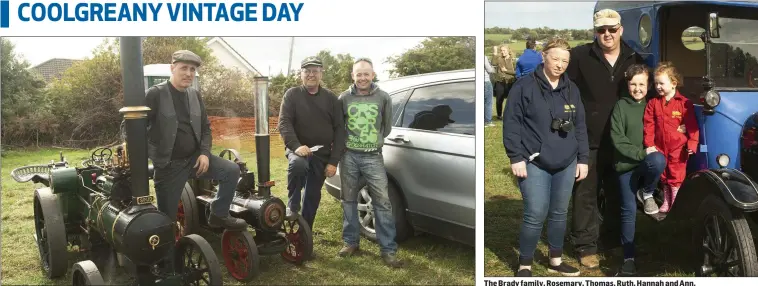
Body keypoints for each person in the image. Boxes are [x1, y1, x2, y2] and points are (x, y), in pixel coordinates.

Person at [502, 38, 589, 277]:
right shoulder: (524, 86)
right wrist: (515, 156)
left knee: (559, 212)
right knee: (536, 211)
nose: (560, 64)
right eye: (555, 58)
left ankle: (555, 259)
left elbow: (580, 125)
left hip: (567, 160)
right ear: (544, 56)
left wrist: (582, 159)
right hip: (533, 160)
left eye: (565, 61)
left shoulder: (572, 88)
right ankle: (525, 264)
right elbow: (512, 123)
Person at [565, 8, 645, 269]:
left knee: (617, 193)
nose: (607, 34)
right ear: (595, 31)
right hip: (587, 137)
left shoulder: (634, 57)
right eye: (601, 30)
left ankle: (610, 241)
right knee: (585, 194)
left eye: (612, 29)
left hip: (621, 141)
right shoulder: (579, 56)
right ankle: (585, 246)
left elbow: (646, 94)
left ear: (621, 29)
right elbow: (563, 90)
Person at [146, 50, 246, 231]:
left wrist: (205, 153)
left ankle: (218, 215)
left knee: (231, 170)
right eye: (184, 68)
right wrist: (150, 153)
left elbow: (206, 128)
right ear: (172, 68)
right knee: (166, 222)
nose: (188, 73)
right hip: (169, 167)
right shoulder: (155, 94)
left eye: (192, 69)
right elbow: (130, 127)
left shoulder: (194, 95)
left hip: (195, 160)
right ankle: (167, 258)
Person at [337, 58, 404, 268]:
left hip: (373, 155)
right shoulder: (344, 98)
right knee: (348, 199)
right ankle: (351, 242)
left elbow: (386, 128)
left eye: (366, 74)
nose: (362, 78)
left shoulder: (383, 97)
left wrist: (372, 142)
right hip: (348, 156)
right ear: (353, 76)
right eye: (359, 74)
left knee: (382, 202)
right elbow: (339, 127)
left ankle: (388, 250)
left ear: (372, 75)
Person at [609, 64, 667, 276]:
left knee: (659, 160)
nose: (637, 88)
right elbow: (618, 140)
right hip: (626, 166)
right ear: (627, 85)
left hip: (648, 164)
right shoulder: (620, 107)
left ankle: (647, 191)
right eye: (633, 84)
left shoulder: (653, 105)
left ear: (649, 85)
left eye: (642, 84)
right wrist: (640, 153)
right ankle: (629, 258)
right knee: (628, 210)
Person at [278, 56, 346, 233]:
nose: (311, 74)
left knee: (313, 196)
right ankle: (293, 203)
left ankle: (304, 235)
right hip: (298, 149)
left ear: (321, 73)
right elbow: (284, 123)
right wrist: (296, 145)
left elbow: (340, 130)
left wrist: (333, 161)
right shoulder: (292, 95)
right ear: (301, 74)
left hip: (322, 155)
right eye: (307, 71)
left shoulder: (331, 99)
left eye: (315, 71)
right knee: (298, 164)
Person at [643, 62, 699, 213]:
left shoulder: (684, 103)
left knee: (676, 176)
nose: (658, 87)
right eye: (656, 84)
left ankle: (676, 203)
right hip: (660, 147)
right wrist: (649, 144)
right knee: (664, 176)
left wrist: (692, 144)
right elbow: (648, 125)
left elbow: (692, 126)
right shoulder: (653, 103)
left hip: (678, 148)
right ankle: (667, 200)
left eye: (661, 83)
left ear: (674, 83)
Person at [492, 44, 516, 120]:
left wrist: (506, 71)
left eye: (504, 50)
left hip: (510, 82)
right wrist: (495, 53)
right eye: (501, 51)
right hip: (500, 81)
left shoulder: (513, 60)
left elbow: (516, 72)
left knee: (511, 100)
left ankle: (511, 116)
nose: (502, 52)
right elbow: (493, 63)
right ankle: (499, 116)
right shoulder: (499, 59)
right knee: (499, 100)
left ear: (508, 51)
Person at [484, 56, 496, 127]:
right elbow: (489, 70)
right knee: (488, 102)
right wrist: (493, 68)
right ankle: (488, 121)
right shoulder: (483, 57)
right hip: (485, 81)